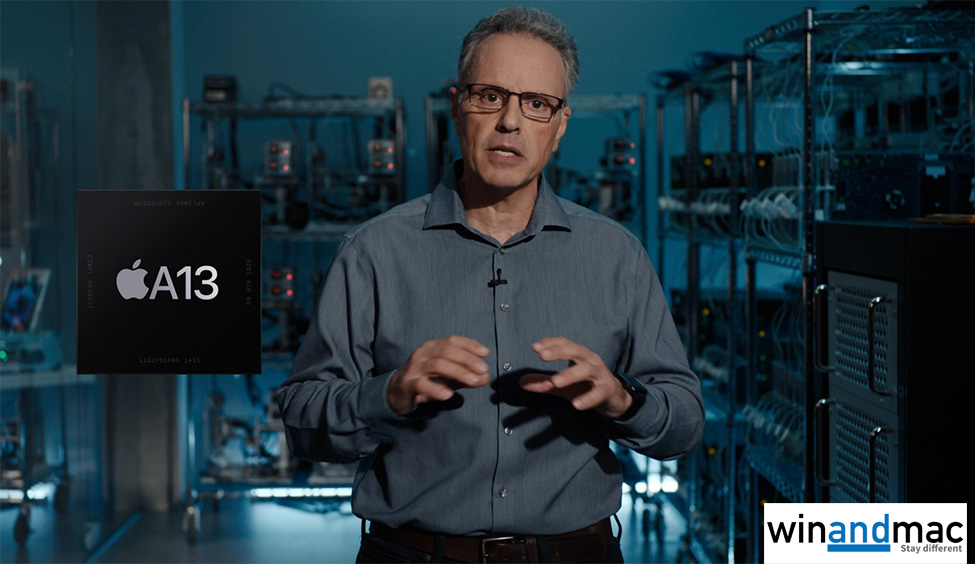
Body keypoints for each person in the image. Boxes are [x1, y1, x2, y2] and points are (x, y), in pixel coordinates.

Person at [277, 6, 704, 563]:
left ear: (560, 126)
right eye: (490, 96)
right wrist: (389, 394)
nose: (510, 122)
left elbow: (684, 423)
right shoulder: (373, 251)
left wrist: (625, 399)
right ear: (457, 108)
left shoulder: (616, 255)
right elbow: (302, 420)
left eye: (537, 103)